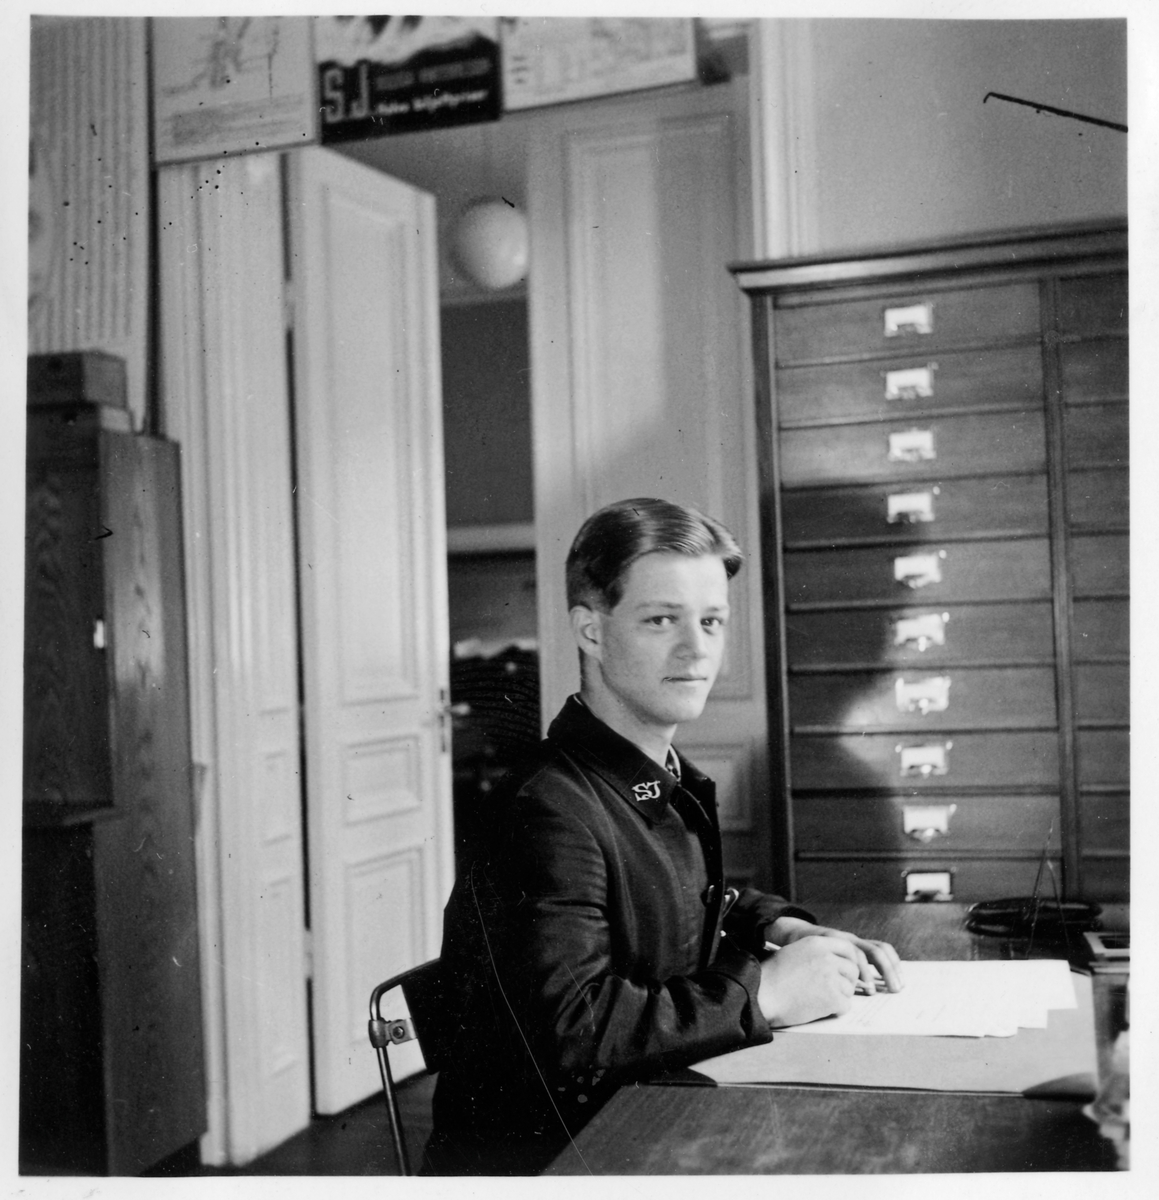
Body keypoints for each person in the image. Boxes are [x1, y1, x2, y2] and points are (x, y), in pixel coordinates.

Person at [422, 498, 903, 1174]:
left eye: (710, 621)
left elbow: (673, 897)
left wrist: (781, 927)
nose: (696, 649)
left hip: (640, 1119)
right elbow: (575, 1032)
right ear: (590, 632)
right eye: (660, 620)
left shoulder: (651, 774)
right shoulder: (547, 806)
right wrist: (764, 994)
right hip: (556, 1164)